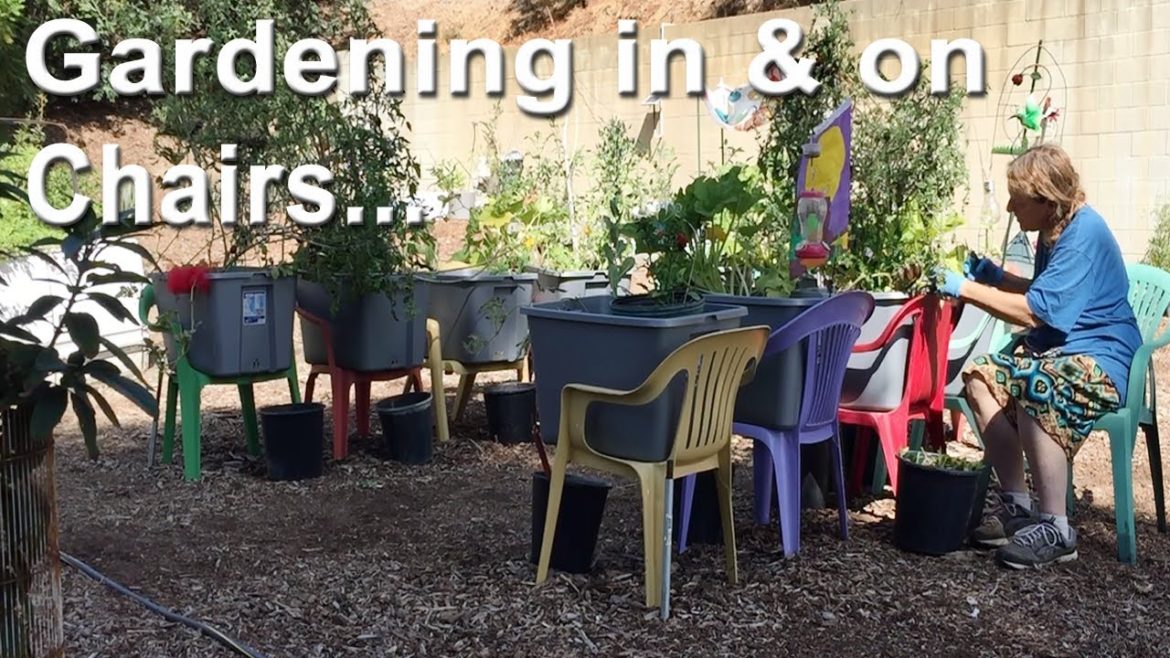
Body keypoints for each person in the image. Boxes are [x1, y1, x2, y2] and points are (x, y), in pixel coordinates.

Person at [936, 143, 1142, 568]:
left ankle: (1057, 528)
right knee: (980, 378)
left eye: (1018, 198)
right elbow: (1045, 291)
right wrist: (996, 277)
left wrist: (966, 289)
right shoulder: (1055, 229)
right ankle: (1019, 507)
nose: (1011, 207)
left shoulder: (1083, 235)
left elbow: (1035, 310)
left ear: (1046, 199)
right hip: (1063, 350)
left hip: (1102, 360)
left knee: (1033, 383)